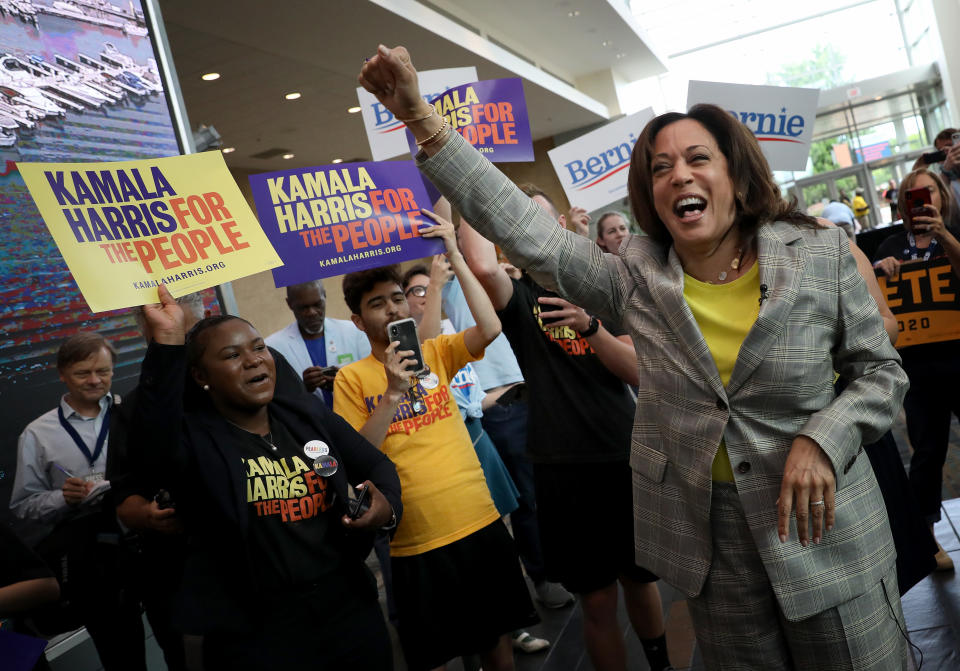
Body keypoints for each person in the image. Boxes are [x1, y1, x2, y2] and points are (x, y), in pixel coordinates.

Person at [360, 45, 911, 669]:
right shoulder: (637, 278)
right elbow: (523, 228)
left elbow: (880, 372)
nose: (679, 175)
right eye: (660, 167)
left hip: (826, 528)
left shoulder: (818, 252)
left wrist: (823, 439)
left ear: (735, 173)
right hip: (713, 546)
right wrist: (423, 121)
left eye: (698, 158)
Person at [131, 285, 402, 670]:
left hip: (348, 611)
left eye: (258, 348)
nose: (253, 360)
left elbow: (377, 466)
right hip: (258, 634)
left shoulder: (306, 417)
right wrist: (169, 342)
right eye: (232, 355)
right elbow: (152, 445)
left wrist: (385, 507)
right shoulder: (193, 441)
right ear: (201, 376)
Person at [458, 187, 671, 671]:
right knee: (596, 601)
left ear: (557, 224)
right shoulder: (520, 295)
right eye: (516, 223)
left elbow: (638, 371)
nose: (527, 230)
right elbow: (482, 264)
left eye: (536, 219)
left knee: (643, 578)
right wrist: (464, 175)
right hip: (561, 468)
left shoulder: (605, 285)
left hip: (623, 453)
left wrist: (589, 325)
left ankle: (661, 664)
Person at [333, 214, 538, 671]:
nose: (391, 308)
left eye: (397, 298)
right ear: (356, 318)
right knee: (438, 651)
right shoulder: (351, 378)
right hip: (414, 540)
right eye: (376, 303)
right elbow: (356, 458)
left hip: (477, 520)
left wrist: (456, 255)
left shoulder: (435, 352)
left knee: (496, 639)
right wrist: (390, 394)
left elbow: (490, 328)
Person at [403, 261, 550, 655]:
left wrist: (503, 399)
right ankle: (476, 632)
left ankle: (509, 624)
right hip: (443, 457)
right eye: (414, 292)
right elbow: (423, 349)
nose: (425, 295)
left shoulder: (453, 335)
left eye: (427, 289)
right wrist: (434, 283)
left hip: (477, 438)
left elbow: (475, 384)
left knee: (498, 534)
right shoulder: (408, 348)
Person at [10, 333, 147, 671]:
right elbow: (22, 509)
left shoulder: (130, 416)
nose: (95, 380)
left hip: (149, 544)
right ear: (62, 374)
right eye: (83, 373)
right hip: (95, 565)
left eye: (104, 371)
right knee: (122, 655)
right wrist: (62, 498)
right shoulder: (37, 434)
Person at [873, 168, 960, 572]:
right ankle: (927, 538)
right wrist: (877, 271)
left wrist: (944, 235)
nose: (920, 200)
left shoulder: (955, 233)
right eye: (911, 194)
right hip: (917, 366)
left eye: (926, 192)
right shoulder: (889, 244)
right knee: (927, 452)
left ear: (941, 195)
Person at [265, 280, 371, 407]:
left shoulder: (354, 331)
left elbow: (372, 380)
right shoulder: (274, 346)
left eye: (317, 304)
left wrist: (345, 383)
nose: (312, 312)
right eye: (303, 307)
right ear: (289, 304)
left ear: (324, 296)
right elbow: (275, 400)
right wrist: (302, 388)